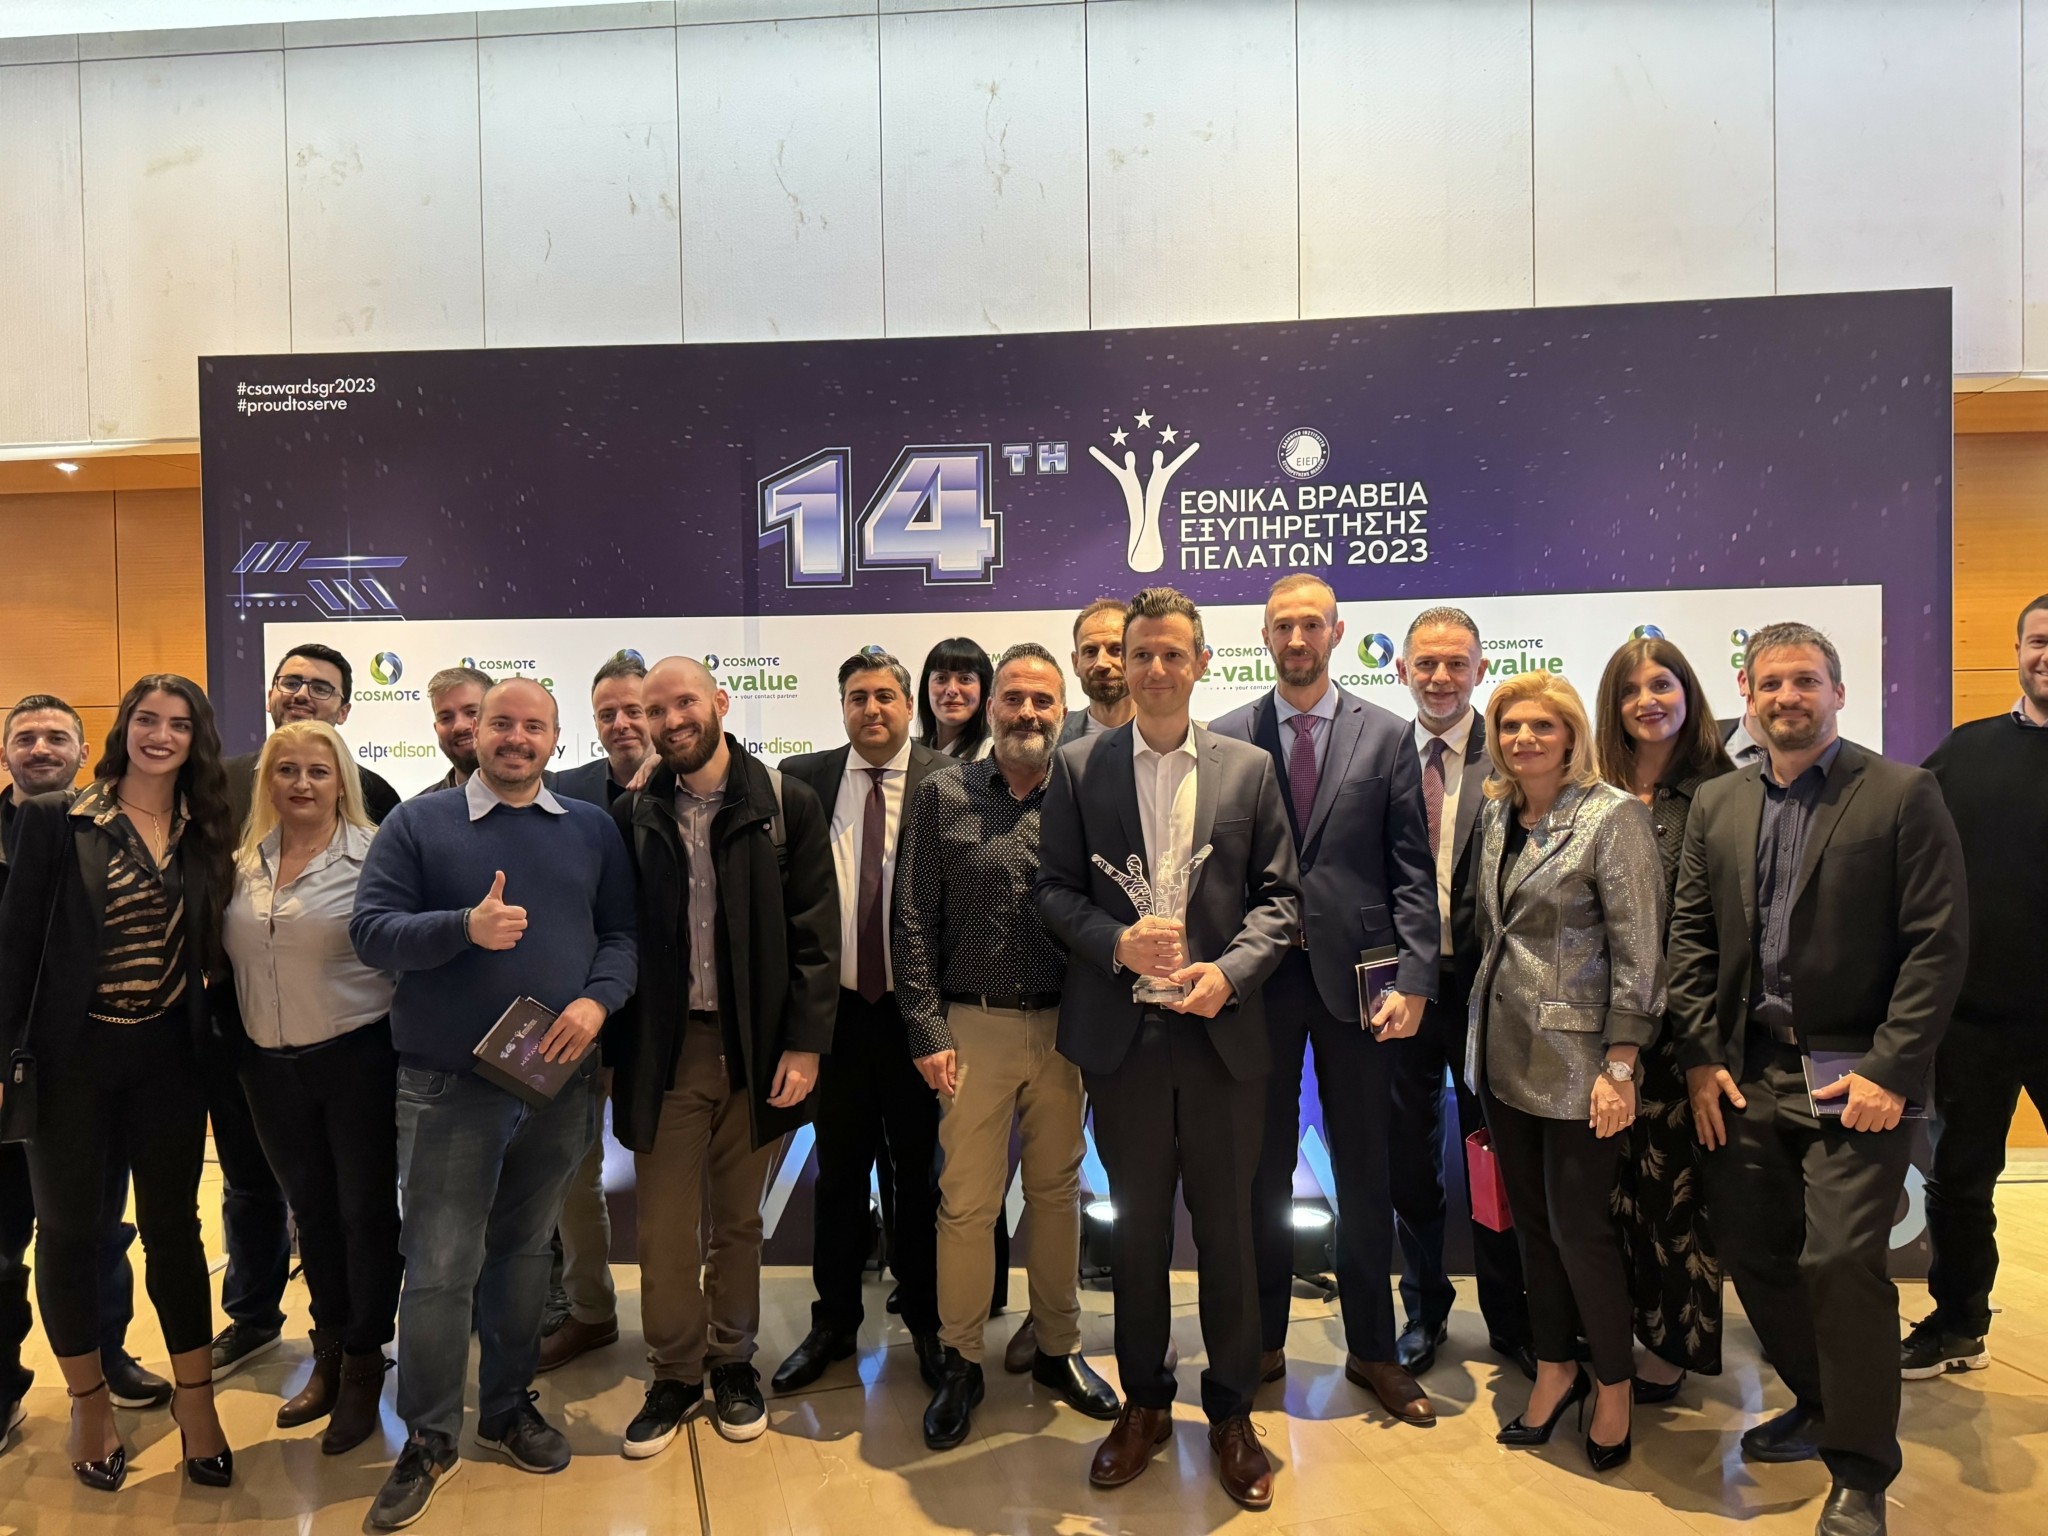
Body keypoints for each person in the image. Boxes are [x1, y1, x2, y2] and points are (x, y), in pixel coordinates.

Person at [1669, 622, 1967, 1536]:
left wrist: (1891, 1070)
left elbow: (1937, 945)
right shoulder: (1718, 802)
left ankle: (1862, 1472)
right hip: (1747, 1072)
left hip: (1857, 1077)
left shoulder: (1903, 793)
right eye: (1770, 684)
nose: (1787, 698)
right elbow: (1691, 938)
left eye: (1805, 681)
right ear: (1747, 697)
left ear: (1837, 691)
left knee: (1839, 1261)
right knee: (1749, 1248)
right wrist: (1701, 1058)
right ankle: (1821, 1400)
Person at [1035, 587, 1300, 1510]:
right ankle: (1144, 1403)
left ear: (1201, 662)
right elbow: (1053, 891)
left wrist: (1231, 972)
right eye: (1139, 652)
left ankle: (1231, 1413)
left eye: (1171, 653)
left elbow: (1281, 900)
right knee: (1138, 1233)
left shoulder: (1249, 769)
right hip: (1125, 1041)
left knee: (1230, 1232)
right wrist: (1115, 942)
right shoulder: (1079, 767)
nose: (1153, 668)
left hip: (1221, 1034)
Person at [350, 678, 636, 1530]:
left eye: (532, 726)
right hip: (448, 1087)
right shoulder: (417, 824)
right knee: (440, 1266)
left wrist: (596, 1004)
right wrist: (461, 929)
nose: (516, 738)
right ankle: (429, 1436)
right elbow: (370, 932)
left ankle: (507, 1410)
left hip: (556, 1081)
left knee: (524, 1252)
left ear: (555, 739)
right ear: (475, 731)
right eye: (501, 723)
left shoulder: (590, 828)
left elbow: (622, 937)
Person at [1209, 574, 1441, 1425]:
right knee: (1259, 1172)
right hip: (1259, 985)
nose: (1297, 638)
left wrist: (1415, 980)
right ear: (1265, 637)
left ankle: (1374, 1348)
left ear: (1338, 632)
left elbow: (1412, 870)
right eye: (1283, 626)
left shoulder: (1386, 735)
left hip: (1363, 987)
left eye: (1312, 624)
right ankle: (1263, 1339)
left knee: (1366, 1172)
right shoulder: (1226, 736)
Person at [0, 674, 238, 1491]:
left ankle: (197, 1402)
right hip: (72, 1060)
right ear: (124, 728)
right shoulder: (57, 817)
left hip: (169, 1057)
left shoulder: (207, 826)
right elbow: (15, 950)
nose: (160, 735)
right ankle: (89, 1402)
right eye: (146, 719)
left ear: (196, 738)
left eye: (179, 724)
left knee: (175, 1231)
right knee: (70, 1234)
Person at [607, 656, 837, 1454]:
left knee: (738, 1222)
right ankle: (674, 1372)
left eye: (684, 703)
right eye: (656, 709)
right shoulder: (635, 811)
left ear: (720, 702)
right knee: (665, 1229)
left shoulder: (785, 803)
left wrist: (805, 1045)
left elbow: (817, 936)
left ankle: (732, 1362)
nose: (671, 720)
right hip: (666, 1051)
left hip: (755, 1050)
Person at [895, 642, 1121, 1450]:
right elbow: (911, 917)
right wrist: (926, 1027)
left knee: (1057, 1194)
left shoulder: (1088, 796)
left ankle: (1059, 1347)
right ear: (991, 707)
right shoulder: (943, 793)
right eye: (1015, 698)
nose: (1028, 713)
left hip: (1068, 1029)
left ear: (1062, 711)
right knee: (967, 1203)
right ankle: (961, 1360)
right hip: (973, 1028)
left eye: (1043, 701)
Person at [1467, 670, 1664, 1474]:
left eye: (1541, 726)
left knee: (1582, 1231)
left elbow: (1640, 949)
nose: (1524, 740)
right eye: (1510, 727)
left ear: (1572, 735)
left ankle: (1612, 1382)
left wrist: (1622, 1062)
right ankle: (1555, 1369)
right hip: (1501, 1057)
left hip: (1584, 1066)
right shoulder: (1496, 813)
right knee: (1533, 1227)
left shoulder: (1612, 816)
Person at [212, 642, 400, 1383]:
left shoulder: (378, 843)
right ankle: (315, 1341)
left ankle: (364, 1356)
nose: (301, 782)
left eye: (318, 771)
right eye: (286, 770)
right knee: (302, 1208)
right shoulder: (239, 855)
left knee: (364, 1211)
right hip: (262, 1061)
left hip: (355, 1059)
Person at [772, 651, 949, 1394]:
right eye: (856, 697)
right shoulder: (801, 780)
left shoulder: (952, 778)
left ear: (909, 704)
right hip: (835, 1014)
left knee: (921, 1178)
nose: (870, 709)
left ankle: (930, 1324)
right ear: (841, 706)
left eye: (883, 695)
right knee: (838, 1175)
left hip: (919, 1016)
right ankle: (834, 1323)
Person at [0, 696, 173, 1447]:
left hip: (74, 1068)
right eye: (25, 736)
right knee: (4, 1242)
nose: (41, 748)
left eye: (56, 737)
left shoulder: (97, 830)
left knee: (95, 1225)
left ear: (81, 751)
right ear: (5, 752)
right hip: (8, 1065)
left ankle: (107, 1356)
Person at [1386, 611, 1536, 1383]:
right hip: (1401, 992)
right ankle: (1424, 1309)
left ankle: (1511, 1317)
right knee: (1409, 1161)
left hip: (1492, 994)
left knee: (1496, 1157)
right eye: (1426, 664)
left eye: (1456, 664)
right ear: (1401, 671)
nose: (1440, 678)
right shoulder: (1379, 752)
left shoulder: (1513, 753)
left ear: (1482, 669)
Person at [1908, 594, 2048, 1379]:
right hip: (1974, 1020)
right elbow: (1910, 858)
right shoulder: (1964, 753)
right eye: (2039, 640)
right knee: (1960, 1182)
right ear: (2019, 649)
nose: (2047, 655)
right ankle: (1958, 1324)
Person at [1593, 636, 1734, 1401]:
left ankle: (1675, 1346)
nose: (1647, 700)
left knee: (1674, 1197)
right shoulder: (1591, 790)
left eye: (1662, 684)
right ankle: (1619, 1329)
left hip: (1685, 1036)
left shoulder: (1723, 790)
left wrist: (1704, 1042)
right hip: (1603, 1032)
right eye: (1631, 689)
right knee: (1612, 1196)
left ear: (1689, 692)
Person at [540, 650, 653, 1374]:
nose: (621, 724)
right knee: (575, 1175)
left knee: (672, 1179)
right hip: (580, 1012)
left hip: (667, 1016)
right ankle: (590, 1310)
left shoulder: (696, 781)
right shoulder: (564, 792)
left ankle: (688, 1320)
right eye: (607, 713)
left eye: (634, 710)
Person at [1058, 596, 1136, 745]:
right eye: (1090, 651)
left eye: (1116, 649)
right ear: (1075, 663)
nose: (1101, 663)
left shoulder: (1173, 735)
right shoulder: (1052, 736)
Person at [417, 665, 493, 793]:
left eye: (472, 712)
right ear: (436, 729)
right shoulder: (419, 806)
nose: (459, 726)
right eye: (446, 718)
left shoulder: (532, 798)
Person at [916, 637, 994, 761]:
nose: (952, 690)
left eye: (965, 679)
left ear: (984, 689)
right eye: (941, 678)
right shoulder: (912, 753)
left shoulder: (993, 755)